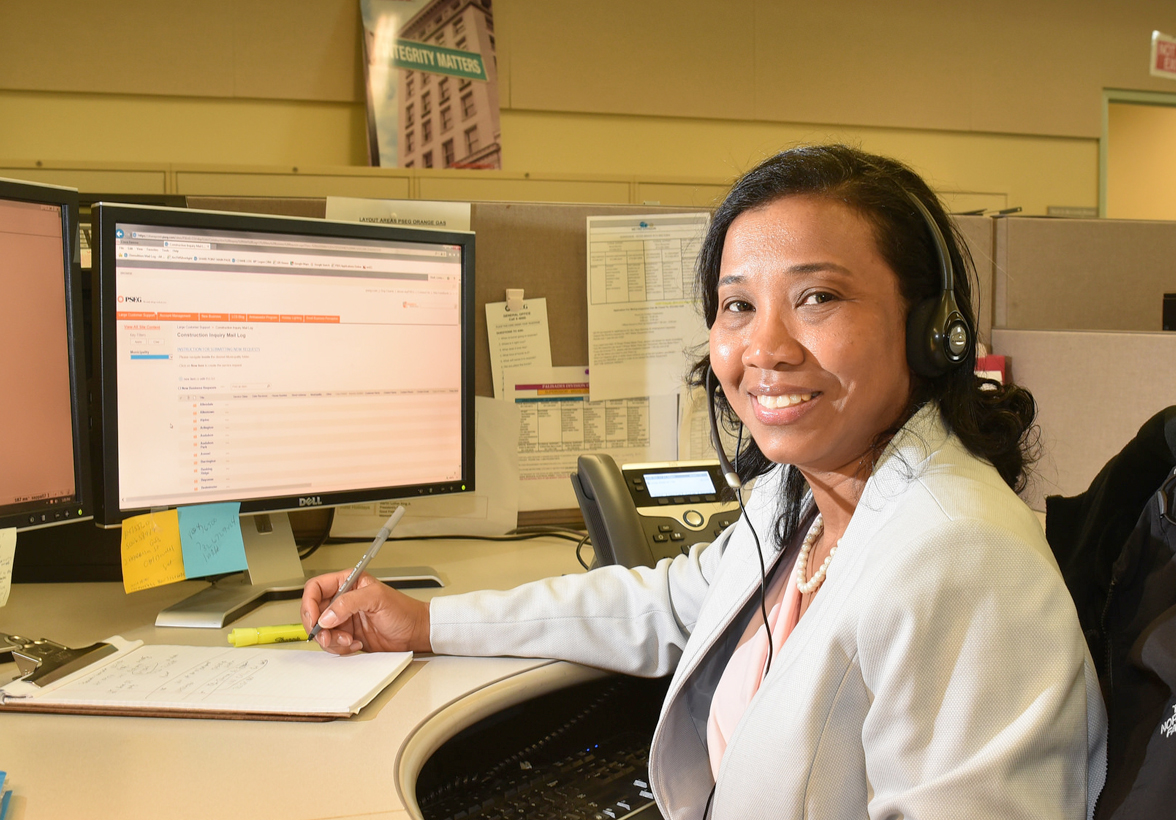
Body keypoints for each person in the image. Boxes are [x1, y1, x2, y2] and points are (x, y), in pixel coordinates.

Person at [302, 145, 1107, 819]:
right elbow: (660, 603)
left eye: (817, 297)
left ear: (935, 330)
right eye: (736, 306)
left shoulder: (958, 560)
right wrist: (422, 622)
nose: (766, 347)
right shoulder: (803, 501)